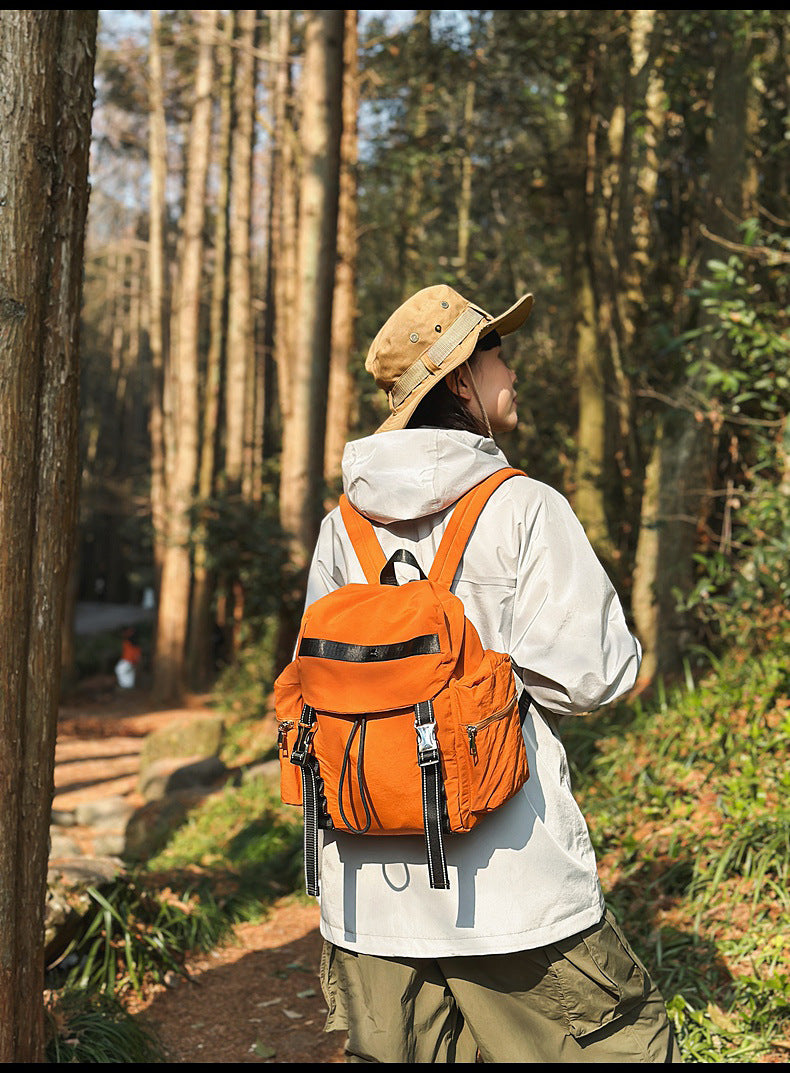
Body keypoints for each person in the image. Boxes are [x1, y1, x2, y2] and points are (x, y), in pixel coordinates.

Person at [302, 284, 681, 1063]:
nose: (514, 371)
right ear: (459, 381)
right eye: (498, 353)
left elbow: (320, 685)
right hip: (512, 885)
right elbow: (594, 676)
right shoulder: (524, 508)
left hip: (368, 896)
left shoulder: (342, 527)